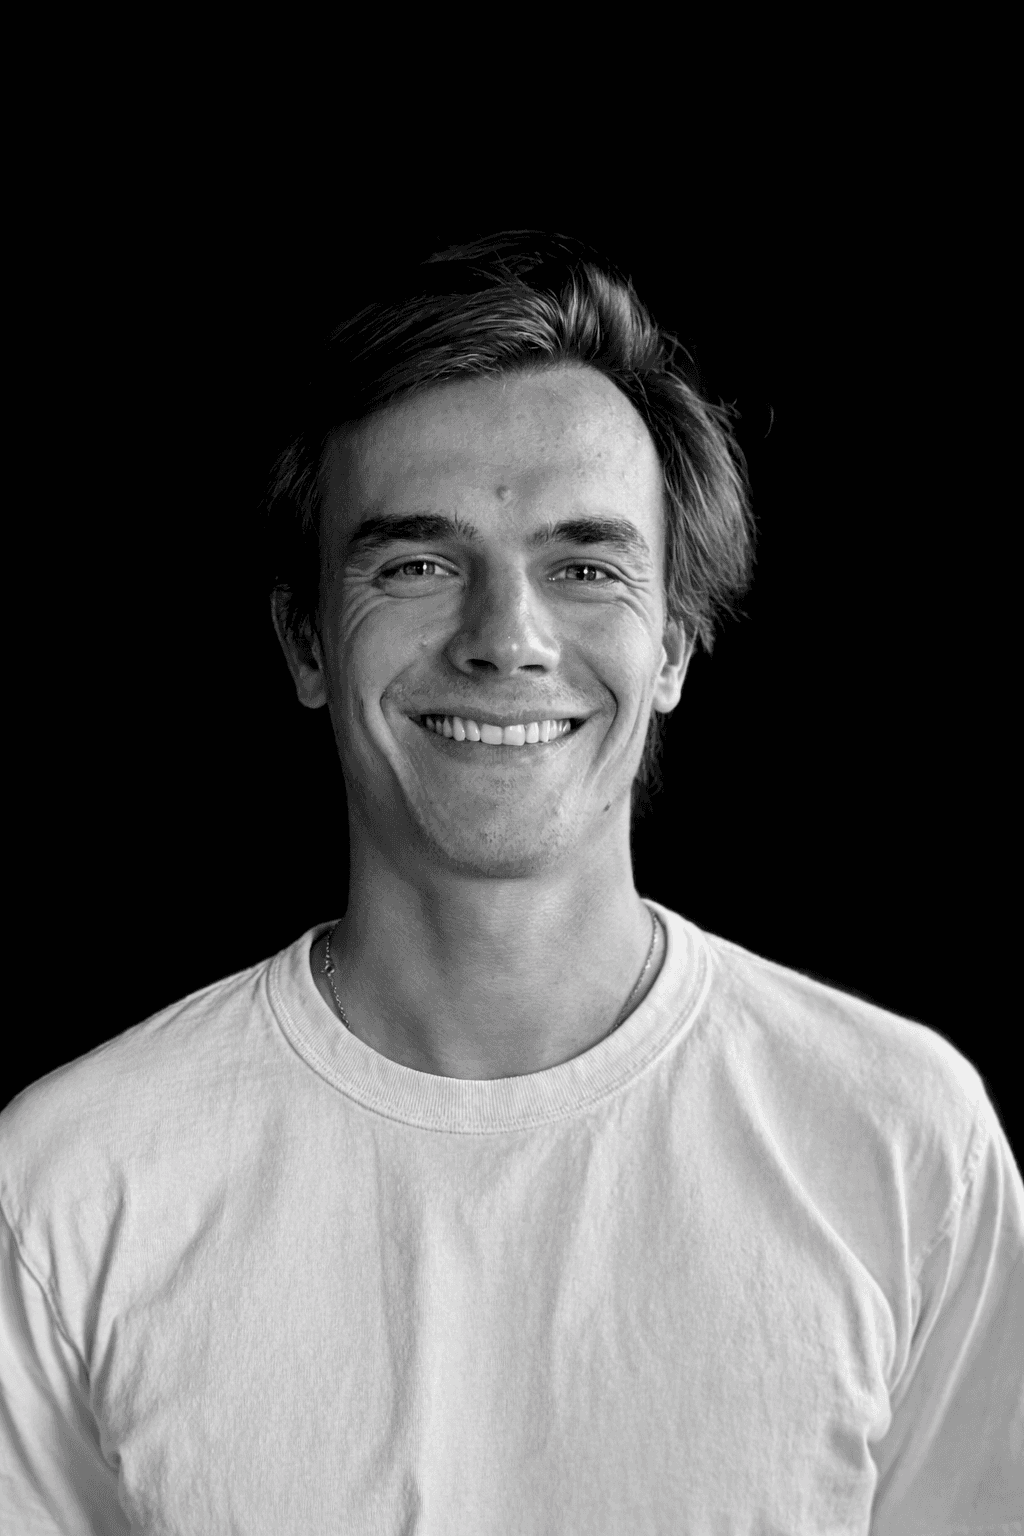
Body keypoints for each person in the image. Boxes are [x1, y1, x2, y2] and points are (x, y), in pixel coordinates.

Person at [1, 232, 1020, 1534]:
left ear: (674, 646)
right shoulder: (70, 1185)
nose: (506, 637)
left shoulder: (903, 1143)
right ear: (305, 641)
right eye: (417, 564)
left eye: (584, 567)